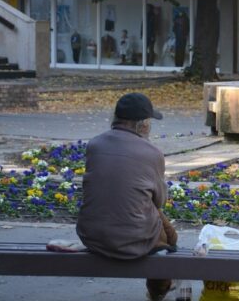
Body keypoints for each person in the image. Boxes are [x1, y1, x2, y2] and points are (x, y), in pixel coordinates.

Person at [76, 93, 178, 301]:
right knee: (167, 235)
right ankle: (158, 291)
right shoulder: (152, 153)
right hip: (134, 239)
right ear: (144, 125)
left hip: (92, 235)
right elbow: (159, 201)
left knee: (160, 227)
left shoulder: (95, 145)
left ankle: (163, 279)